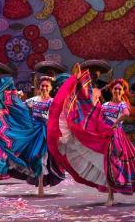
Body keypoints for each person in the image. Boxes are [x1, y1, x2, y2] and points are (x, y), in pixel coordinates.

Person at [48, 65, 134, 206]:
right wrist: (78, 85)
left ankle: (114, 192)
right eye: (115, 88)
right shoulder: (106, 104)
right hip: (104, 137)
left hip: (117, 137)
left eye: (120, 89)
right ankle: (110, 196)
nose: (117, 90)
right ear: (112, 90)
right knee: (107, 164)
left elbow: (126, 114)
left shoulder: (122, 105)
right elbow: (94, 111)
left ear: (123, 91)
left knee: (118, 165)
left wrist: (116, 123)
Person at [24, 76, 65, 196]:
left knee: (42, 156)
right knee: (34, 156)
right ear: (39, 87)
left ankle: (41, 185)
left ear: (51, 88)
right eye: (42, 85)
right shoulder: (33, 100)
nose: (44, 88)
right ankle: (38, 181)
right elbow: (20, 107)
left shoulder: (53, 102)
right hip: (34, 131)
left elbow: (59, 116)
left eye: (47, 86)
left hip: (46, 132)